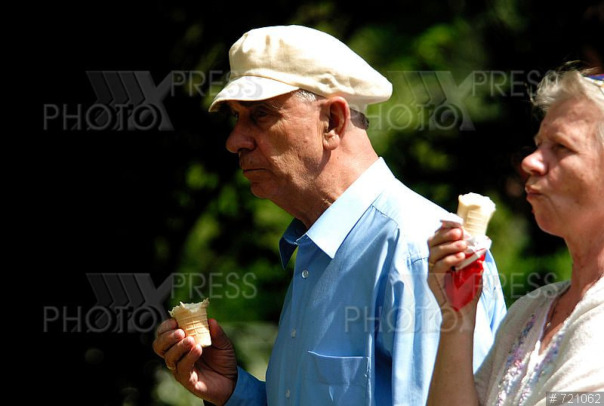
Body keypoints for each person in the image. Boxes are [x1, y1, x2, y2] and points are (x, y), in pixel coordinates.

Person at [153, 24, 507, 406]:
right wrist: (234, 391)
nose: (234, 140)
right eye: (236, 117)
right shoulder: (320, 246)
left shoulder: (418, 252)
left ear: (332, 122)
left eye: (260, 114)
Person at [426, 67, 604, 406]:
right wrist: (457, 317)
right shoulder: (529, 312)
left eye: (561, 147)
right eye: (538, 145)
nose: (530, 162)